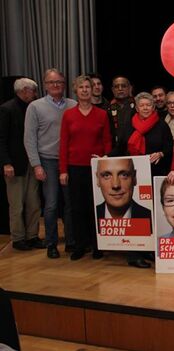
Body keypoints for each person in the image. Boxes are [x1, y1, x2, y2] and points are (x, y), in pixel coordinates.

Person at [24, 68, 77, 259]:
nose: (56, 85)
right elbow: (29, 139)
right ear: (45, 85)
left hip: (69, 161)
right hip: (47, 161)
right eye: (51, 82)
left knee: (70, 204)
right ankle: (52, 243)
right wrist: (36, 165)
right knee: (52, 204)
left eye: (59, 82)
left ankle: (71, 242)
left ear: (64, 84)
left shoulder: (73, 105)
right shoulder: (35, 107)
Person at [59, 75, 112, 260]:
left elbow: (107, 141)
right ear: (76, 90)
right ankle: (80, 245)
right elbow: (64, 144)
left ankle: (98, 246)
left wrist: (105, 160)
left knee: (95, 207)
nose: (84, 90)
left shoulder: (102, 114)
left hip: (96, 168)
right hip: (74, 168)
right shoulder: (68, 115)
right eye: (81, 87)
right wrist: (63, 170)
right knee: (77, 208)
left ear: (92, 90)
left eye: (88, 87)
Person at [0, 78, 44, 251]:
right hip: (14, 164)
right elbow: (1, 139)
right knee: (16, 204)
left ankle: (32, 236)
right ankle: (18, 238)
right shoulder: (6, 109)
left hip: (32, 163)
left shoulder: (33, 108)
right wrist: (6, 163)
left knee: (34, 202)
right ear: (24, 90)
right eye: (33, 90)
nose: (35, 94)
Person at [95, 158, 153, 268]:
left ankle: (143, 252)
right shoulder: (94, 216)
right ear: (97, 179)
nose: (116, 185)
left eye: (124, 175)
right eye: (106, 175)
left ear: (134, 178)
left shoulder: (148, 215)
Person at [112, 92, 173, 177]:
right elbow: (120, 148)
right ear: (137, 108)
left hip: (156, 171)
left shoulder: (162, 125)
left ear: (153, 107)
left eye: (148, 105)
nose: (145, 108)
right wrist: (105, 157)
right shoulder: (128, 125)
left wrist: (161, 154)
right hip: (132, 170)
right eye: (141, 105)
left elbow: (169, 147)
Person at [107, 76, 135, 146]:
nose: (120, 89)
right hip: (114, 150)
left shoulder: (137, 107)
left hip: (134, 149)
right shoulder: (107, 110)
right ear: (113, 90)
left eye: (123, 86)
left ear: (130, 88)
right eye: (116, 86)